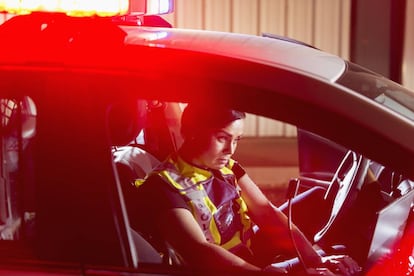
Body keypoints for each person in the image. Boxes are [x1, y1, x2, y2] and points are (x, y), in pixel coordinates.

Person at [132, 103, 361, 274]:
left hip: (249, 255)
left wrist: (315, 260)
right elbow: (200, 251)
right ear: (192, 132)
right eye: (222, 138)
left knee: (317, 202)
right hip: (222, 271)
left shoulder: (228, 168)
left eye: (237, 140)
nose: (230, 149)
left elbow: (266, 213)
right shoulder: (163, 186)